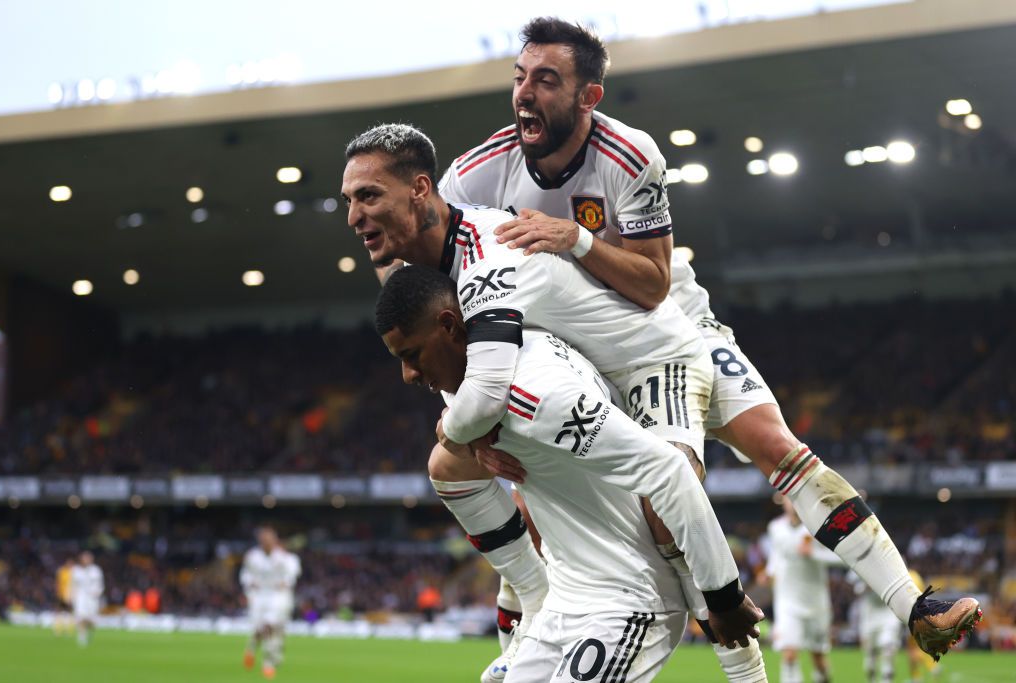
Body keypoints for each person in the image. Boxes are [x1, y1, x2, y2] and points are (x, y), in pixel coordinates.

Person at [438, 15, 981, 663]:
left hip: (674, 325)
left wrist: (577, 240)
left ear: (589, 97)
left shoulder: (629, 154)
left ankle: (913, 604)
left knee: (776, 446)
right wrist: (475, 418)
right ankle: (518, 652)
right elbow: (444, 312)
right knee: (556, 519)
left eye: (546, 81)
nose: (525, 93)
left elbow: (651, 282)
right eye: (520, 78)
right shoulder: (473, 179)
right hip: (579, 356)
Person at [342, 123, 766, 679]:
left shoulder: (487, 254)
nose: (353, 216)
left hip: (652, 358)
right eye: (348, 201)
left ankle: (743, 660)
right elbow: (459, 375)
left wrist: (461, 427)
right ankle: (542, 605)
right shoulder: (428, 281)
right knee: (467, 471)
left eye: (368, 196)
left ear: (421, 189)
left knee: (666, 511)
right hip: (581, 369)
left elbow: (486, 393)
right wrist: (468, 429)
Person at [374, 264, 765, 682]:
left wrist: (724, 597)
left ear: (450, 325)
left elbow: (670, 471)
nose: (408, 375)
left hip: (627, 600)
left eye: (412, 356)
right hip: (565, 602)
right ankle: (533, 595)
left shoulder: (539, 395)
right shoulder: (481, 371)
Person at [766, 498, 844, 683]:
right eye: (788, 499)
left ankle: (824, 678)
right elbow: (777, 554)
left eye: (796, 498)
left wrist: (814, 554)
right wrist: (770, 572)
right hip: (787, 600)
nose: (792, 503)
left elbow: (842, 557)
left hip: (816, 602)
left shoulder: (819, 528)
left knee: (818, 658)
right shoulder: (775, 527)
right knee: (790, 654)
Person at [240, 526, 301, 679]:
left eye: (268, 538)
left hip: (278, 596)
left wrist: (286, 582)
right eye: (263, 539)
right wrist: (249, 583)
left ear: (274, 540)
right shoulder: (252, 556)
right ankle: (252, 648)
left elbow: (292, 572)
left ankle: (268, 662)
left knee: (272, 626)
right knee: (259, 629)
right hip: (258, 596)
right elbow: (245, 574)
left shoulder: (283, 557)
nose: (266, 541)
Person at [850, 571, 902, 683]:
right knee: (870, 655)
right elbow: (856, 588)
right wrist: (867, 585)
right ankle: (871, 679)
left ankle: (886, 680)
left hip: (888, 612)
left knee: (888, 648)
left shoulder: (893, 559)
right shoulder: (862, 561)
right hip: (869, 615)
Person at [70, 551, 104, 647]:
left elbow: (100, 584)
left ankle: (88, 633)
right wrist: (72, 596)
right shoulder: (76, 570)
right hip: (80, 597)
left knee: (91, 620)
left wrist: (98, 592)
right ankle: (82, 637)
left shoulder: (96, 570)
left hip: (92, 598)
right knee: (81, 617)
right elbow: (73, 585)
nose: (86, 560)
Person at [53, 557, 75, 636]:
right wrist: (58, 593)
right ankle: (58, 629)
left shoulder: (74, 572)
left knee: (70, 612)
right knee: (59, 612)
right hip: (62, 595)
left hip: (70, 596)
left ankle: (68, 629)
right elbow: (58, 583)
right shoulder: (62, 571)